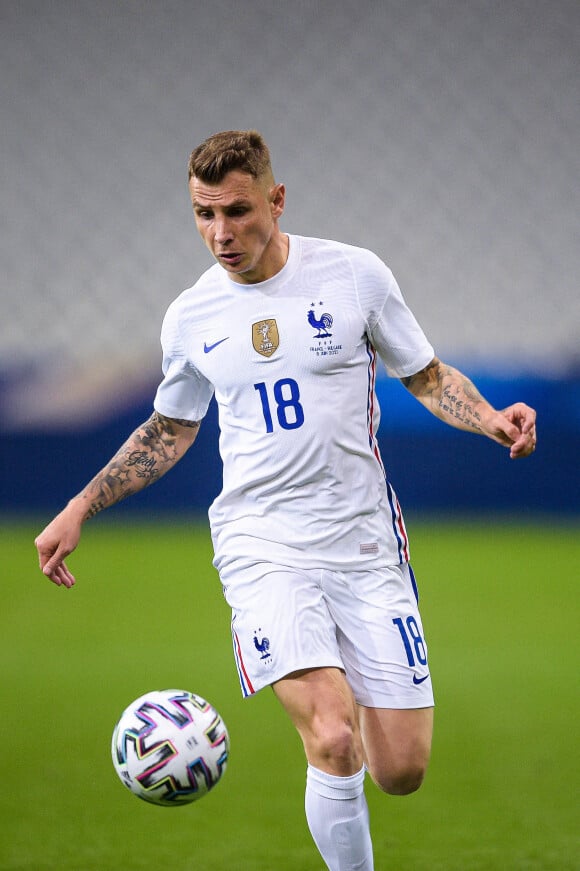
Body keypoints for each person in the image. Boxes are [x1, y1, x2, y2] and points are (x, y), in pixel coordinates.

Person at [35, 130, 537, 870]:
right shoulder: (192, 316)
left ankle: (355, 720)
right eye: (204, 214)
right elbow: (170, 429)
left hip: (365, 541)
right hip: (262, 543)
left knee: (400, 769)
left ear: (275, 199)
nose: (220, 233)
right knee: (332, 735)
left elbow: (425, 375)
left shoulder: (353, 276)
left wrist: (491, 418)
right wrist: (81, 504)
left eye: (237, 211)